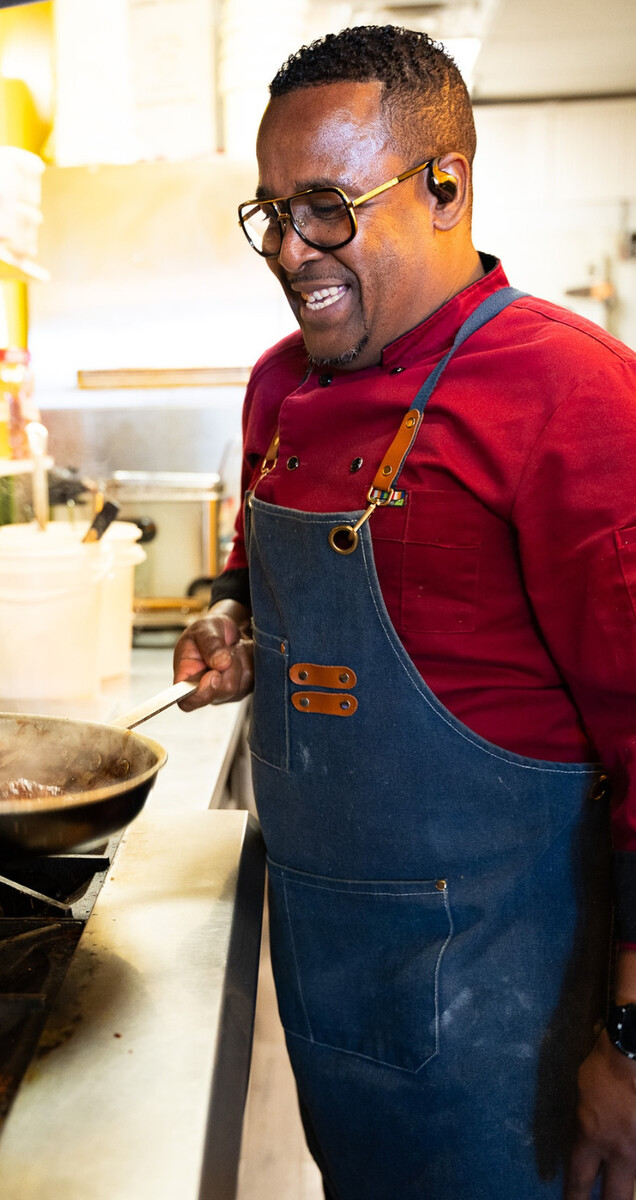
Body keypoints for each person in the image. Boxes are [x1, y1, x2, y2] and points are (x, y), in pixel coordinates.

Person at [172, 24, 636, 1200]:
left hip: (515, 1027)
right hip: (332, 995)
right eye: (272, 212)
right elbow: (251, 568)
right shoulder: (279, 385)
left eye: (327, 208)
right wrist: (230, 618)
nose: (291, 250)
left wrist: (632, 1043)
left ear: (445, 187)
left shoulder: (572, 395)